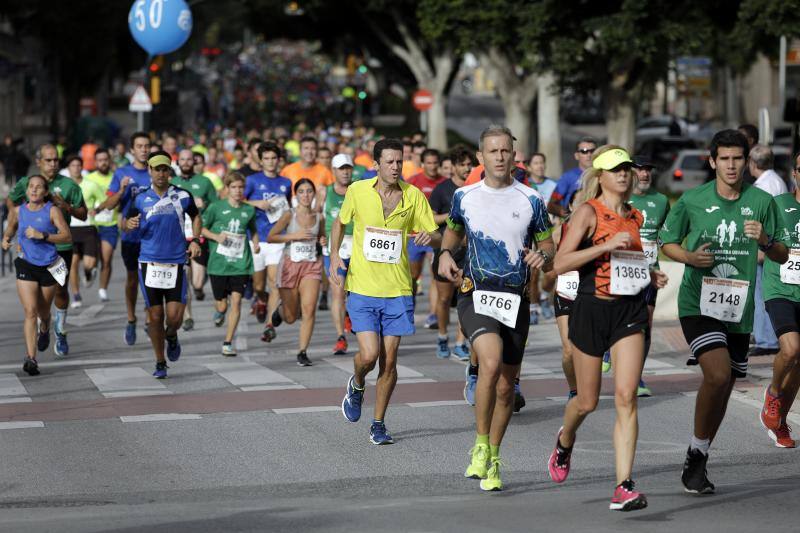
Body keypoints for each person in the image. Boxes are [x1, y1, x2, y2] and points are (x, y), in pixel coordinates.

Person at [659, 129, 787, 494]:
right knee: (716, 376)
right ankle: (697, 455)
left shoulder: (762, 201)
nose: (731, 166)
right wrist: (689, 257)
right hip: (697, 301)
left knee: (727, 384)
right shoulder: (692, 199)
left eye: (738, 159)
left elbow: (780, 254)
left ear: (747, 162)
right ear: (712, 161)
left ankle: (698, 453)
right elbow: (667, 242)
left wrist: (765, 239)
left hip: (738, 306)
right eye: (724, 159)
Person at [547, 145, 667, 511]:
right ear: (600, 176)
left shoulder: (635, 216)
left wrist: (650, 274)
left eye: (627, 169)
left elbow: (627, 262)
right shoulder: (587, 212)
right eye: (616, 169)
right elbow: (560, 263)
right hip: (590, 310)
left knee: (626, 396)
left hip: (628, 312)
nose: (624, 174)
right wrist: (604, 247)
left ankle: (624, 485)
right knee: (586, 401)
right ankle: (566, 440)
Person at [439, 125, 554, 491]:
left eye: (506, 151)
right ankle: (478, 443)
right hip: (476, 291)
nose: (500, 157)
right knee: (488, 362)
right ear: (481, 157)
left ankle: (493, 454)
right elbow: (454, 230)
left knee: (507, 388)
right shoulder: (464, 195)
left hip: (515, 298)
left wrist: (543, 256)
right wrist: (444, 253)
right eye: (493, 151)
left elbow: (549, 246)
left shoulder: (531, 200)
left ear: (513, 155)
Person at [331, 138, 440, 445]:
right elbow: (340, 223)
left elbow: (434, 232)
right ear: (376, 165)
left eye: (399, 162)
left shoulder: (413, 196)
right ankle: (357, 383)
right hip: (363, 287)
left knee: (389, 361)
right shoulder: (357, 191)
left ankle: (378, 423)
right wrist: (335, 254)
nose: (395, 167)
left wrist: (428, 239)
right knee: (369, 354)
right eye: (389, 162)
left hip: (398, 289)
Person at [124, 151, 201, 379]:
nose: (160, 173)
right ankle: (160, 361)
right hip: (149, 263)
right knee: (155, 316)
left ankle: (172, 336)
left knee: (175, 318)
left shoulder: (183, 196)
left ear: (170, 171)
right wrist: (129, 223)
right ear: (149, 170)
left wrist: (195, 240)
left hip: (176, 262)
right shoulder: (140, 198)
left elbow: (196, 217)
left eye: (164, 169)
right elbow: (126, 221)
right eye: (156, 169)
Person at [6, 144, 87, 357]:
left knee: (60, 291)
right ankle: (36, 344)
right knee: (33, 309)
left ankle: (60, 330)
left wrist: (66, 207)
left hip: (60, 248)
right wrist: (15, 229)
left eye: (56, 160)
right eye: (48, 160)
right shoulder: (26, 183)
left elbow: (83, 214)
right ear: (38, 161)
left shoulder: (69, 185)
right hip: (31, 251)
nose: (53, 164)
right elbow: (12, 203)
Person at [601, 156, 670, 398]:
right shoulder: (620, 198)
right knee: (619, 317)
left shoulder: (662, 201)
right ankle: (608, 348)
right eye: (639, 170)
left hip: (650, 270)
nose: (644, 174)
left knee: (646, 324)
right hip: (622, 269)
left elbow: (665, 233)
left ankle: (637, 375)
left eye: (648, 170)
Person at [2, 175, 72, 375]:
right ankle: (31, 358)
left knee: (43, 312)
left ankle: (45, 329)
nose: (33, 190)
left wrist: (44, 236)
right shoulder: (18, 211)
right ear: (27, 191)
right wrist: (6, 240)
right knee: (30, 311)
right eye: (31, 187)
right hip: (25, 264)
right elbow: (11, 228)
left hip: (48, 266)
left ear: (45, 191)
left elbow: (66, 235)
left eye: (38, 187)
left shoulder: (52, 211)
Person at [760, 152, 800, 448]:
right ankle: (772, 394)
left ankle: (781, 421)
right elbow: (759, 241)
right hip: (780, 289)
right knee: (791, 349)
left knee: (799, 366)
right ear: (795, 174)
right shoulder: (778, 204)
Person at [267, 178, 326, 366]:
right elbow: (271, 237)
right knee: (291, 317)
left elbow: (321, 236)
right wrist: (295, 236)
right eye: (302, 192)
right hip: (289, 266)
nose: (306, 195)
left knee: (309, 309)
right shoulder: (288, 215)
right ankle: (280, 311)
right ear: (296, 195)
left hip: (311, 266)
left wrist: (322, 241)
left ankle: (302, 351)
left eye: (309, 191)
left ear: (314, 194)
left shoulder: (319, 217)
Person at [201, 171, 259, 356]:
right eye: (233, 187)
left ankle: (227, 342)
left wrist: (256, 243)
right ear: (226, 189)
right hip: (218, 264)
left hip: (240, 263)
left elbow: (253, 229)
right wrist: (216, 237)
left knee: (236, 302)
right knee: (222, 305)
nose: (237, 191)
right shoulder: (215, 208)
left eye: (240, 187)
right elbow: (201, 228)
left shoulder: (248, 210)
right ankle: (219, 310)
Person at [102, 132, 152, 345]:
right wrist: (122, 189)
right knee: (133, 280)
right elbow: (110, 204)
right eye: (139, 146)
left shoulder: (156, 172)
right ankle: (131, 318)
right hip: (131, 236)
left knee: (153, 281)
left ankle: (151, 319)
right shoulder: (122, 173)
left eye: (146, 146)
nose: (143, 149)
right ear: (132, 150)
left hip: (154, 236)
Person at [429, 145, 474, 361]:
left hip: (469, 252)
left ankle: (460, 342)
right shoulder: (442, 189)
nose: (467, 168)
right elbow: (430, 219)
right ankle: (442, 336)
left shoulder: (476, 187)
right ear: (453, 167)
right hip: (446, 251)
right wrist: (451, 216)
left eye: (469, 164)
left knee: (466, 296)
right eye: (462, 164)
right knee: (445, 299)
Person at [244, 142, 293, 339]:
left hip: (277, 240)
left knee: (275, 283)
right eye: (267, 159)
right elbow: (239, 201)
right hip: (256, 239)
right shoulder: (252, 180)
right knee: (258, 285)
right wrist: (257, 203)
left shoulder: (286, 183)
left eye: (274, 158)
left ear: (278, 160)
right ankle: (260, 299)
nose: (271, 162)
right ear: (261, 161)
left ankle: (269, 324)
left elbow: (289, 208)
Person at [749, 144, 787, 357]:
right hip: (775, 244)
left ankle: (766, 339)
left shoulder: (762, 187)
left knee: (762, 293)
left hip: (766, 245)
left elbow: (760, 220)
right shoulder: (778, 181)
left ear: (753, 164)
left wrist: (762, 248)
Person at [173, 149, 218, 328]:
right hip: (179, 236)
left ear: (195, 161)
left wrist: (204, 204)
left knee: (197, 282)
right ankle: (188, 316)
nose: (185, 162)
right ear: (178, 162)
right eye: (182, 159)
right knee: (184, 278)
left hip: (199, 234)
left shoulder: (205, 182)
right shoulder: (172, 183)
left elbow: (216, 205)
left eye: (189, 159)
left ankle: (200, 286)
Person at [319, 153, 356, 355]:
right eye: (341, 168)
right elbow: (319, 217)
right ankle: (340, 336)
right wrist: (320, 237)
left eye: (348, 168)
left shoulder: (360, 190)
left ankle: (350, 313)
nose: (345, 172)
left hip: (358, 248)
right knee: (337, 293)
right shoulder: (324, 192)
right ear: (333, 171)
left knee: (357, 292)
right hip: (334, 250)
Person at [407, 148, 447, 329]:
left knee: (434, 275)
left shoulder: (444, 184)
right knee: (413, 276)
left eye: (435, 163)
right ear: (422, 164)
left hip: (435, 236)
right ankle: (410, 306)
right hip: (415, 236)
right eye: (428, 163)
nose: (432, 166)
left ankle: (433, 314)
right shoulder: (413, 182)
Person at [64, 155, 104, 309]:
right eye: (72, 165)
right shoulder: (65, 186)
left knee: (89, 264)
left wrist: (97, 209)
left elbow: (103, 200)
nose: (76, 168)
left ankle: (89, 273)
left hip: (88, 227)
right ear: (69, 168)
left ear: (82, 167)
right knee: (72, 263)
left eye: (78, 165)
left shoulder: (91, 185)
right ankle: (76, 295)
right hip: (70, 229)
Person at [528, 152, 558, 323]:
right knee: (532, 272)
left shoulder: (553, 185)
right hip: (532, 233)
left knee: (552, 271)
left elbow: (559, 207)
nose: (539, 166)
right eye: (536, 163)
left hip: (550, 232)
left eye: (542, 163)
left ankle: (545, 296)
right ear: (529, 167)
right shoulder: (527, 185)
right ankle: (533, 307)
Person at [86, 148, 118, 302]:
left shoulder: (116, 178)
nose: (103, 162)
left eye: (105, 159)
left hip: (110, 223)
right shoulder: (89, 178)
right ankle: (89, 271)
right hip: (92, 225)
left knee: (107, 258)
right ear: (95, 162)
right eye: (100, 160)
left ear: (109, 161)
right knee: (92, 260)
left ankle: (102, 289)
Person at [547, 137, 597, 219]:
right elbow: (551, 205)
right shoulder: (567, 177)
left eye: (592, 151)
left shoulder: (603, 175)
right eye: (584, 151)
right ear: (577, 156)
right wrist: (565, 213)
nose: (589, 154)